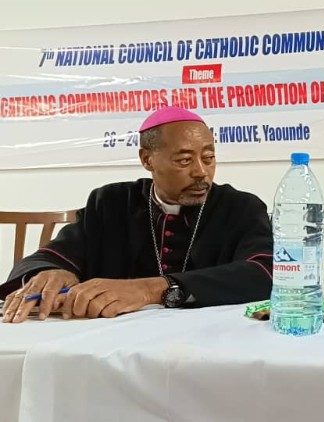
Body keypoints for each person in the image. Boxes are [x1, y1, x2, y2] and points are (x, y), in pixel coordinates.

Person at [1, 107, 273, 323]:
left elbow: (264, 272)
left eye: (209, 157)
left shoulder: (241, 207)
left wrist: (152, 289)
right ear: (147, 160)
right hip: (111, 347)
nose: (201, 172)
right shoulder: (111, 203)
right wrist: (51, 272)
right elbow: (47, 256)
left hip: (208, 341)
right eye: (184, 160)